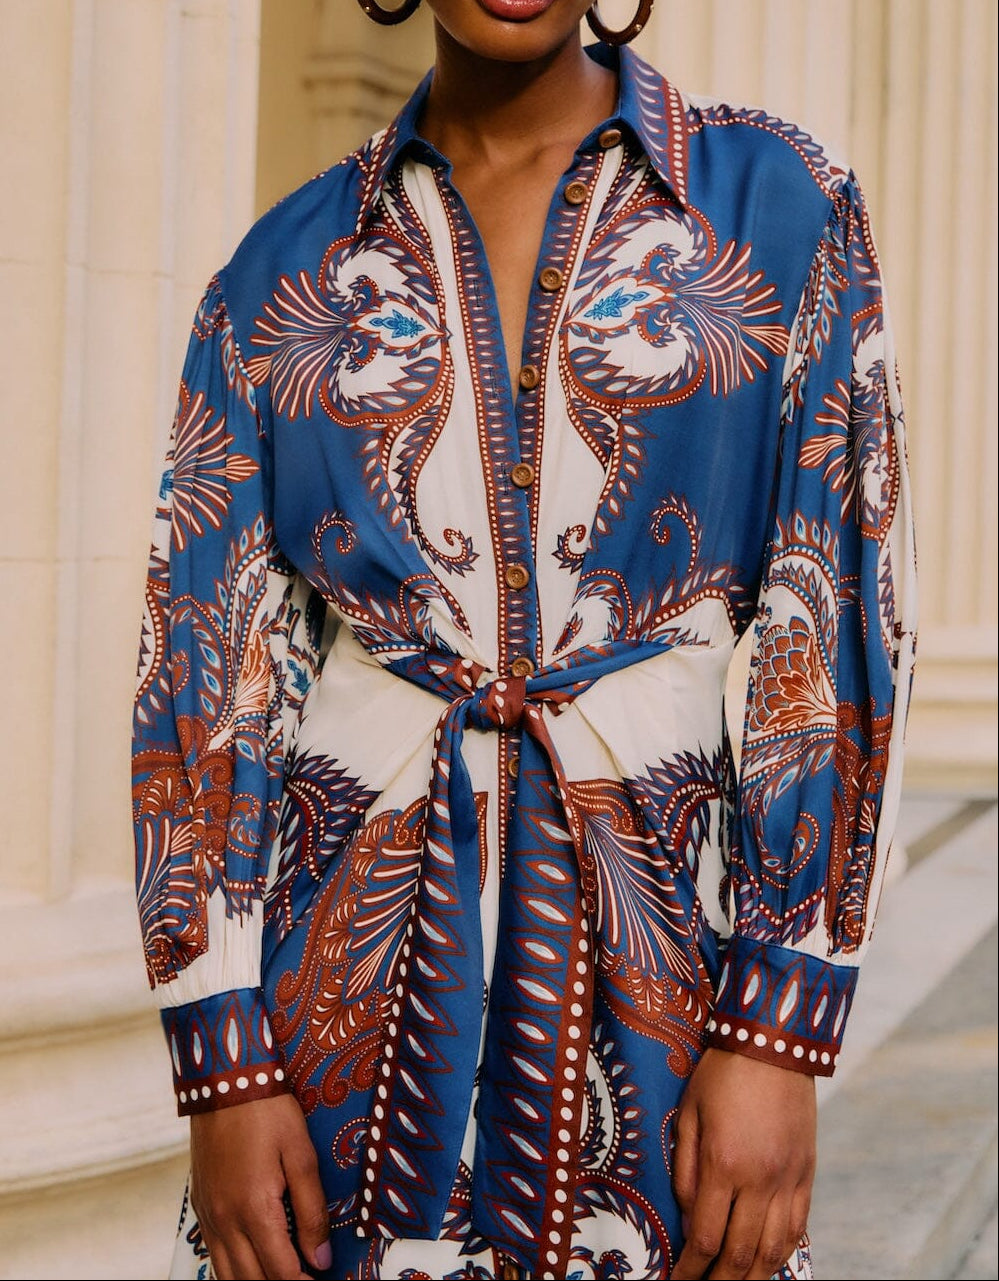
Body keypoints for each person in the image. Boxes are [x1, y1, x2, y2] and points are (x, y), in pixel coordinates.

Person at [131, 1, 917, 1277]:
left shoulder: (779, 206)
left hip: (673, 995)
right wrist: (219, 1058)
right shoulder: (282, 269)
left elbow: (836, 611)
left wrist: (781, 1026)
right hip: (334, 1024)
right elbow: (206, 669)